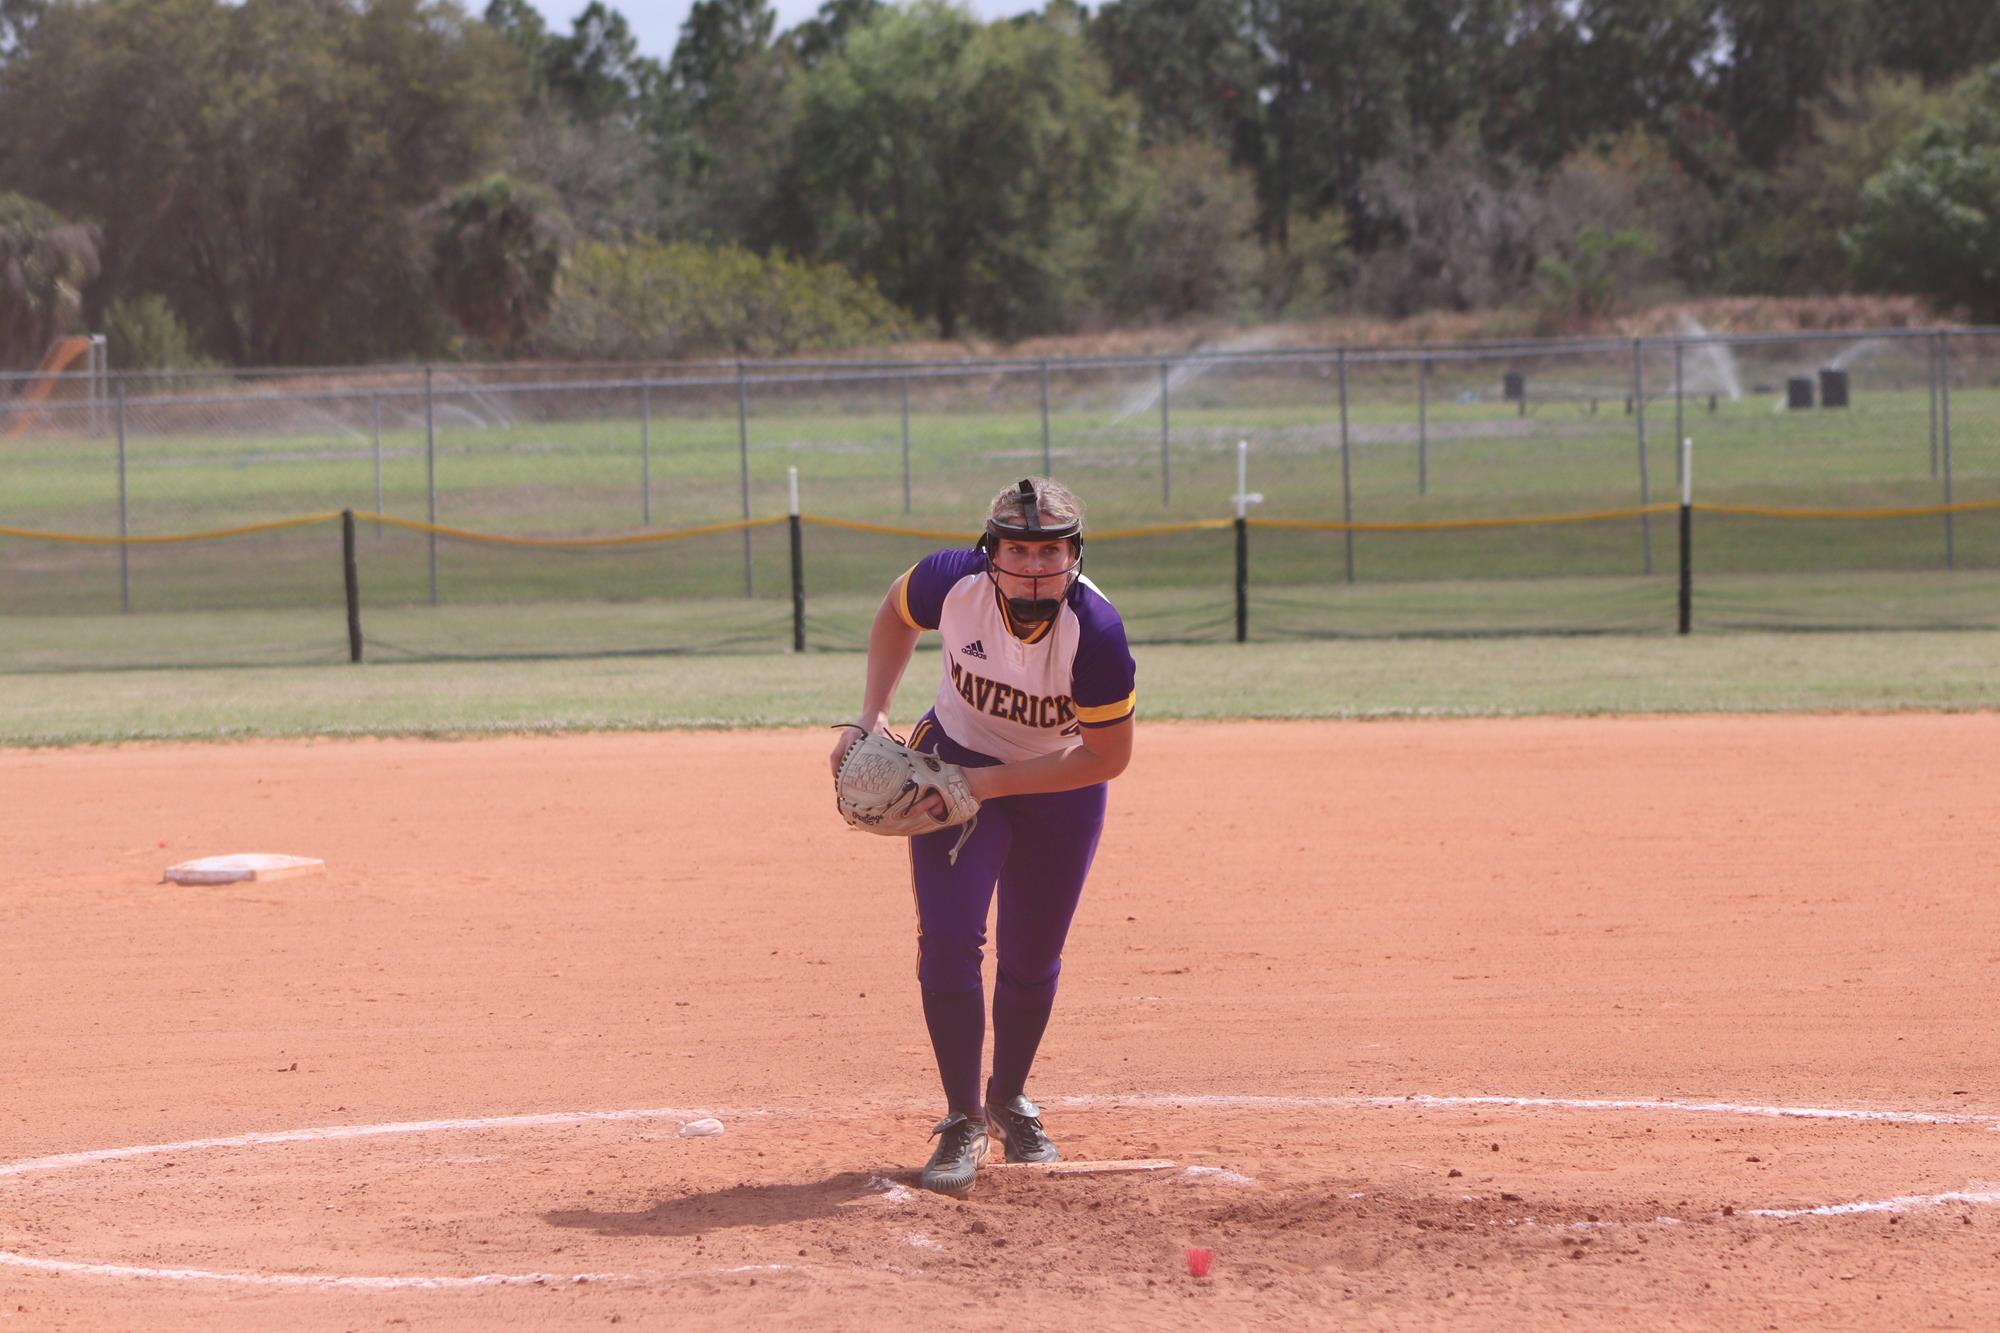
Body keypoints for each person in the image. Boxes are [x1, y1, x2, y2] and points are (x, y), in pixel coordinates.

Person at [828, 477, 1137, 1197]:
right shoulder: (952, 583)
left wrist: (988, 786)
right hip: (952, 761)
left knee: (1032, 956)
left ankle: (1009, 1098)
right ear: (991, 552)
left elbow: (1106, 757)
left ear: (1074, 556)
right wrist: (870, 716)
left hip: (1058, 784)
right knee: (949, 936)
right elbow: (894, 613)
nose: (1034, 564)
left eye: (1050, 551)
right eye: (1019, 549)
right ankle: (963, 1115)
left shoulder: (1096, 632)